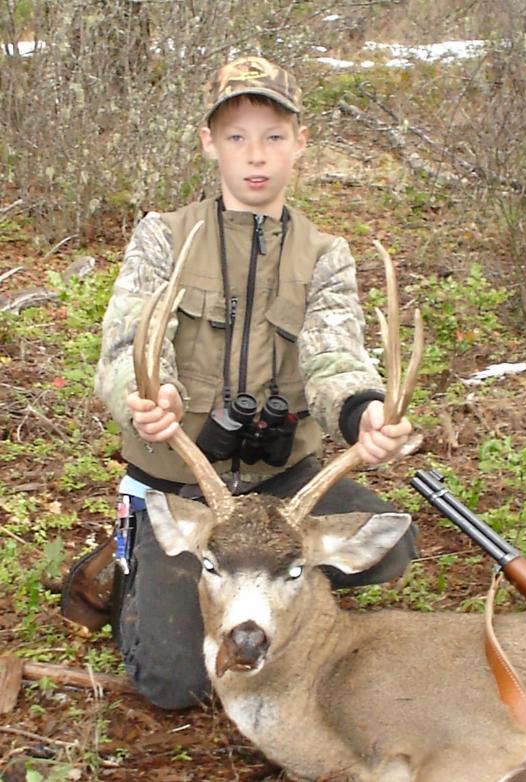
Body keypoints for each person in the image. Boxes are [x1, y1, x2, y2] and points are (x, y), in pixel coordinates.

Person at [92, 56, 417, 710]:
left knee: (391, 543)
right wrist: (150, 397)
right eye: (236, 136)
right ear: (209, 143)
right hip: (183, 486)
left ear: (300, 142)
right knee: (176, 684)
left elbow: (334, 358)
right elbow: (126, 345)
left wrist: (362, 412)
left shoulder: (323, 254)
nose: (255, 155)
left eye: (273, 135)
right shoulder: (164, 237)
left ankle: (258, 587)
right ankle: (133, 568)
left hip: (278, 490)